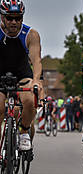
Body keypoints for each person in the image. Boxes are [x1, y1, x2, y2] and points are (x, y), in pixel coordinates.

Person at [0, 0, 42, 151]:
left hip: (22, 73)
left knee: (30, 100)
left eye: (17, 18)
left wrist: (36, 80)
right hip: (0, 73)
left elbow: (36, 61)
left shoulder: (31, 34)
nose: (13, 22)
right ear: (2, 17)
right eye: (9, 18)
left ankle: (24, 131)